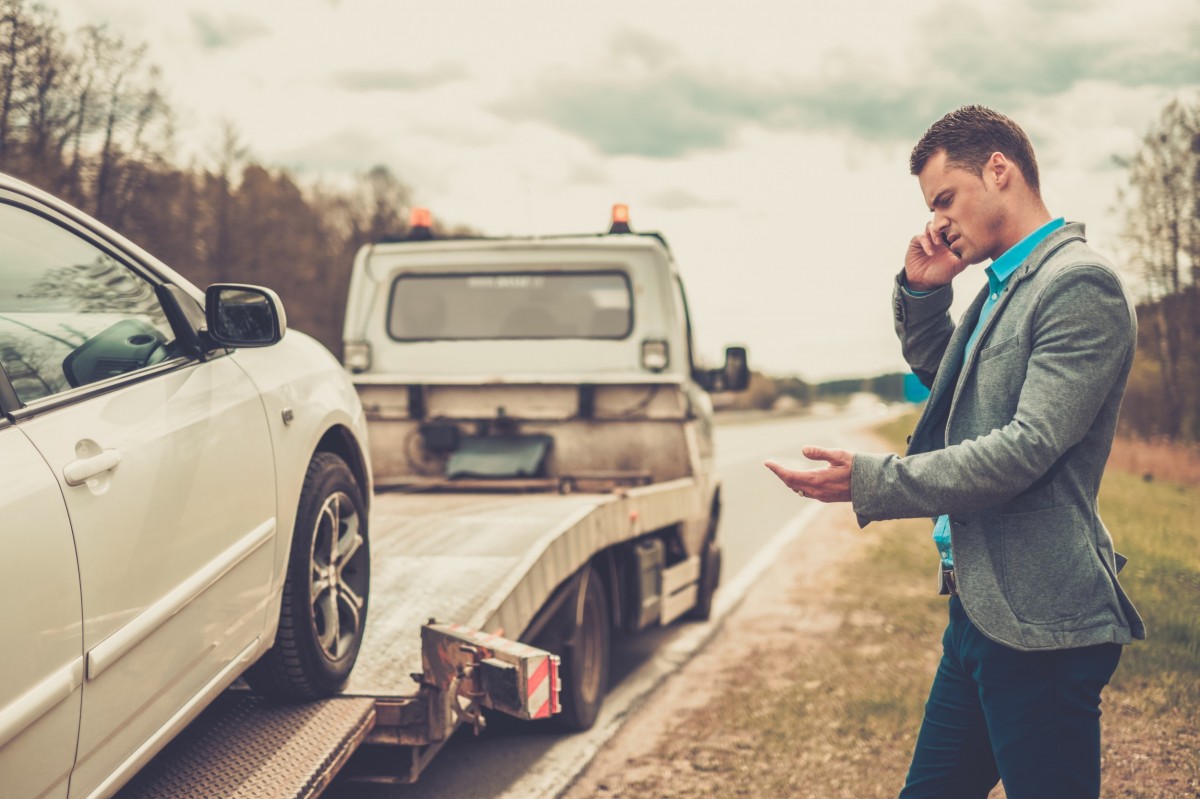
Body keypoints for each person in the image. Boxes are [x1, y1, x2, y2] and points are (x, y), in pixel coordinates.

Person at [764, 105, 1145, 798]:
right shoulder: (1004, 285)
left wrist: (873, 481)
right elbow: (957, 390)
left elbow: (1022, 449)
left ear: (998, 169)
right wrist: (923, 293)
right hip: (980, 609)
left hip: (1042, 626)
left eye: (945, 199)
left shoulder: (1076, 284)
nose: (937, 222)